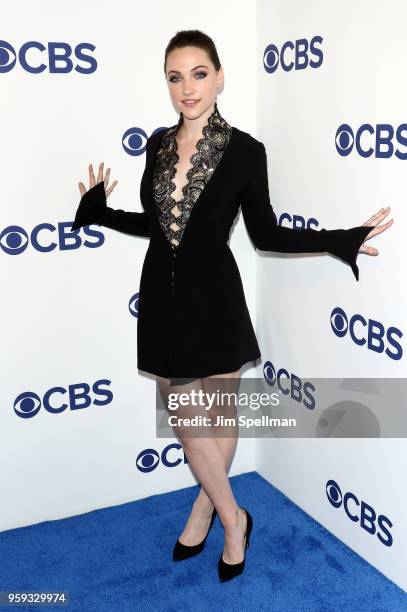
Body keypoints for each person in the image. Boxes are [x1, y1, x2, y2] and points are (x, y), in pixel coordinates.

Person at [70, 30, 393, 582]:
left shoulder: (246, 151)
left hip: (215, 296)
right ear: (166, 84)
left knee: (217, 415)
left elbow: (264, 234)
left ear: (219, 77)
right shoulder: (157, 144)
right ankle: (233, 518)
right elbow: (156, 226)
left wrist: (339, 238)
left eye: (198, 74)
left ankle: (205, 507)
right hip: (164, 299)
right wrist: (99, 212)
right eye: (175, 77)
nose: (187, 87)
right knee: (186, 420)